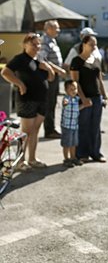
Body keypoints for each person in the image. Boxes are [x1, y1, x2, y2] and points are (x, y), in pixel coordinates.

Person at [1, 33, 55, 169]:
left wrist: (48, 68)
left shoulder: (40, 59)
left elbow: (51, 78)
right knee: (26, 132)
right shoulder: (20, 59)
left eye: (38, 44)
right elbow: (5, 72)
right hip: (27, 100)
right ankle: (20, 161)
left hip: (41, 99)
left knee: (35, 130)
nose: (37, 47)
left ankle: (32, 159)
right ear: (25, 45)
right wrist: (19, 83)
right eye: (33, 44)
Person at [70, 34, 108, 163]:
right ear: (84, 44)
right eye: (91, 44)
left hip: (97, 97)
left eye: (95, 44)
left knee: (96, 126)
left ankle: (96, 153)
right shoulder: (77, 61)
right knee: (83, 125)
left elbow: (100, 80)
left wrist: (105, 96)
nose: (94, 47)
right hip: (84, 98)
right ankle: (82, 153)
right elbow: (75, 82)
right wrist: (83, 98)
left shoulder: (96, 60)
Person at [38, 20, 67, 139]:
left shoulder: (52, 40)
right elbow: (42, 59)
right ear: (48, 29)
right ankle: (49, 130)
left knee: (53, 102)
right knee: (49, 103)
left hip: (54, 76)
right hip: (49, 77)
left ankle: (51, 128)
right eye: (56, 28)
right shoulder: (45, 41)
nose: (58, 30)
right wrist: (58, 70)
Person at [61, 80, 83, 167]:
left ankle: (73, 157)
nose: (74, 91)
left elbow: (77, 108)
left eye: (75, 89)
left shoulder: (76, 99)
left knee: (73, 143)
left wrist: (84, 105)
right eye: (71, 89)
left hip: (74, 126)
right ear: (66, 90)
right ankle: (66, 159)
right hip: (67, 126)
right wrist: (65, 103)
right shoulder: (66, 98)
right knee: (67, 144)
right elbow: (65, 103)